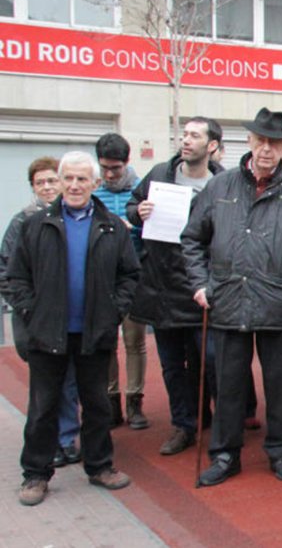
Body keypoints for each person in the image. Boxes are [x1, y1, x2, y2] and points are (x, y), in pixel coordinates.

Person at [182, 107, 282, 486]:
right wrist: (200, 284)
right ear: (248, 142)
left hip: (279, 300)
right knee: (227, 384)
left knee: (281, 385)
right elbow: (192, 239)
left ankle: (280, 450)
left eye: (275, 142)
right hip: (228, 298)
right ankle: (225, 454)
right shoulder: (220, 186)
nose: (266, 149)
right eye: (260, 140)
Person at [4, 151, 140, 506]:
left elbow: (130, 275)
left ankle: (99, 466)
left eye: (83, 179)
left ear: (95, 183)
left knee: (96, 404)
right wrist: (31, 311)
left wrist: (114, 311)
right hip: (47, 332)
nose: (75, 185)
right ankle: (35, 473)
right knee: (43, 406)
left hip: (95, 332)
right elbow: (15, 276)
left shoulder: (111, 226)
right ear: (60, 181)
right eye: (69, 178)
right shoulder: (35, 225)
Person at [127, 117, 223, 456]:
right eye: (184, 134)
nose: (186, 141)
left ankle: (214, 418)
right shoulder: (158, 174)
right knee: (171, 365)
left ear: (211, 145)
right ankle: (184, 425)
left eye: (195, 136)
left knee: (211, 359)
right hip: (162, 288)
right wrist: (139, 211)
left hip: (203, 289)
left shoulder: (223, 183)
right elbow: (132, 207)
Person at [0, 158, 82, 468]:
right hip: (37, 323)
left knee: (71, 381)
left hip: (72, 321)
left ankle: (67, 438)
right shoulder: (22, 222)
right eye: (40, 183)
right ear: (33, 187)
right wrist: (30, 309)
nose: (47, 187)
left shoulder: (79, 218)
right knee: (46, 387)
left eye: (52, 181)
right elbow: (6, 272)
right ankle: (48, 446)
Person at [93, 132, 146, 430]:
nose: (110, 174)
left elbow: (155, 230)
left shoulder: (141, 190)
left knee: (134, 341)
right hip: (100, 280)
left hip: (133, 275)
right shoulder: (92, 191)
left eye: (115, 168)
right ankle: (111, 400)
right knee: (106, 342)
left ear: (127, 162)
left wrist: (134, 228)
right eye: (105, 168)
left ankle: (135, 401)